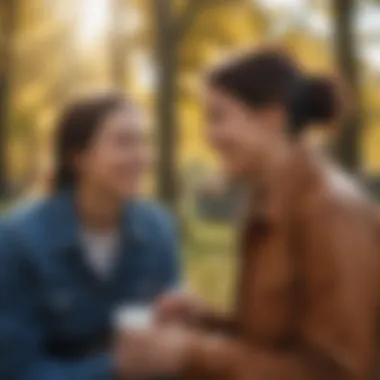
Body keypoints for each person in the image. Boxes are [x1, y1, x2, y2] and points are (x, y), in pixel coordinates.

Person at [117, 49, 380, 380]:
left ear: (272, 118)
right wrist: (202, 319)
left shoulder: (331, 210)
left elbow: (338, 371)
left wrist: (190, 355)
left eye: (218, 117)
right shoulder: (269, 203)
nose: (210, 137)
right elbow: (274, 342)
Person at [0, 93, 179, 380]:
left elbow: (172, 345)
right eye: (123, 142)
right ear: (79, 157)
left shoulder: (158, 227)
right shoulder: (19, 240)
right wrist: (113, 368)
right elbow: (16, 370)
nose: (141, 156)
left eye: (144, 141)